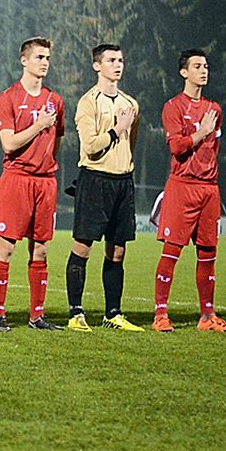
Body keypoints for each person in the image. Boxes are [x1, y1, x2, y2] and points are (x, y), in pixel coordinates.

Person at [64, 44, 143, 332]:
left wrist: (125, 159)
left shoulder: (131, 104)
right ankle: (76, 313)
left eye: (120, 60)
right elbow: (91, 147)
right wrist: (116, 129)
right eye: (111, 60)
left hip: (122, 182)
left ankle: (113, 314)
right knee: (83, 247)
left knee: (118, 251)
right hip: (95, 179)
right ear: (97, 66)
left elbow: (131, 144)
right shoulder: (89, 102)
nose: (117, 65)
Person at [0, 37, 65, 331]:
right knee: (6, 248)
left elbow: (56, 141)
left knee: (41, 250)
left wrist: (44, 159)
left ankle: (37, 316)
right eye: (39, 57)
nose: (44, 62)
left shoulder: (55, 100)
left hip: (45, 182)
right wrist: (38, 125)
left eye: (47, 57)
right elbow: (8, 143)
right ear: (24, 60)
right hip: (17, 180)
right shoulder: (9, 97)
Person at [152, 49, 226, 332]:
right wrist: (201, 132)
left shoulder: (214, 109)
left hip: (209, 189)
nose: (203, 71)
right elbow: (177, 148)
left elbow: (212, 150)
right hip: (182, 187)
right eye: (197, 66)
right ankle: (161, 315)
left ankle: (207, 316)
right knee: (171, 251)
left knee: (208, 253)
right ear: (184, 72)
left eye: (205, 66)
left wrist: (207, 130)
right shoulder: (173, 107)